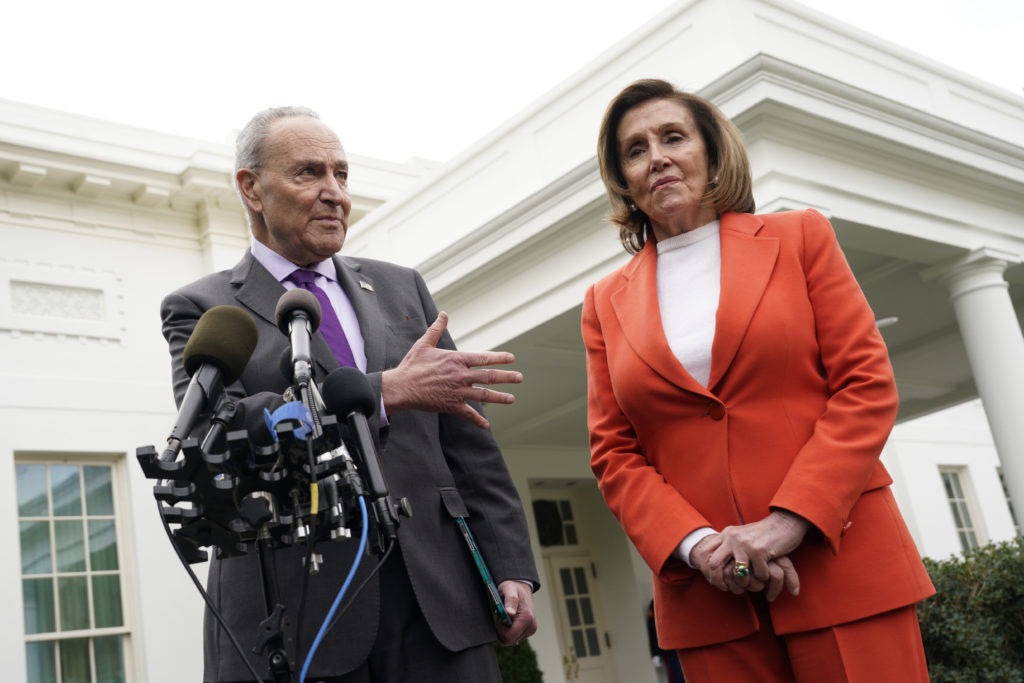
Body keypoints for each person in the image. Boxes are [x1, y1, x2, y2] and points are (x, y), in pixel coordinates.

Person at [161, 107, 539, 683]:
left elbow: (468, 441)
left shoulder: (401, 286)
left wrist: (510, 567)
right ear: (251, 187)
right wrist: (385, 391)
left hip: (438, 599)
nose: (334, 193)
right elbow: (225, 430)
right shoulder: (202, 308)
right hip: (299, 611)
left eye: (342, 174)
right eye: (309, 173)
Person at [582, 79, 935, 682]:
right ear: (624, 179)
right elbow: (614, 452)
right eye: (635, 150)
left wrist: (786, 523)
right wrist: (699, 546)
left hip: (839, 563)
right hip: (708, 600)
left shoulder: (801, 237)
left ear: (712, 154)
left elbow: (866, 384)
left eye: (673, 137)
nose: (657, 156)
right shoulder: (602, 301)